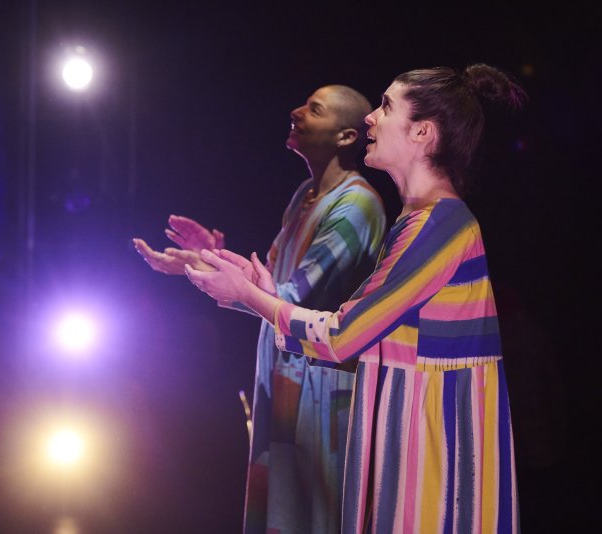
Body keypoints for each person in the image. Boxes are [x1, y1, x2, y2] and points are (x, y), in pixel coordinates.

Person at [186, 64, 526, 533]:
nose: (371, 117)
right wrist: (259, 293)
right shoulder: (421, 221)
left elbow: (343, 337)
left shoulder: (439, 225)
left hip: (433, 456)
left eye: (386, 107)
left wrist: (249, 294)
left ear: (422, 132)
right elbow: (362, 333)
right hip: (412, 438)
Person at [133, 85, 386, 534]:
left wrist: (223, 277)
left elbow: (289, 299)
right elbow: (266, 281)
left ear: (346, 136)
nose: (297, 111)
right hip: (286, 380)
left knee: (317, 517)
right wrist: (207, 259)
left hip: (322, 388)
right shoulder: (305, 195)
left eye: (314, 109)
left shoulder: (357, 206)